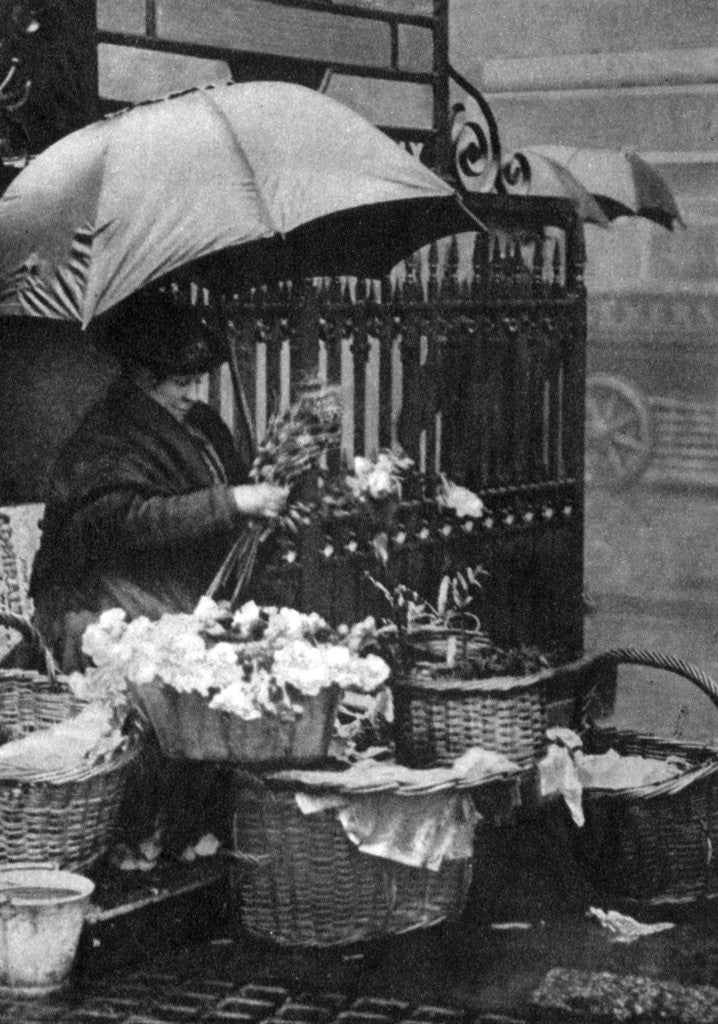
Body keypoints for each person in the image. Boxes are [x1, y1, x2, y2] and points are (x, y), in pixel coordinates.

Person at [29, 293, 288, 673]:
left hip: (186, 594)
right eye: (181, 383)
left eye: (197, 381)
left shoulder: (203, 425)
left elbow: (227, 494)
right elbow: (124, 521)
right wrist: (231, 502)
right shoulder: (107, 435)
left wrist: (253, 508)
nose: (192, 395)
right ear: (142, 379)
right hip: (112, 602)